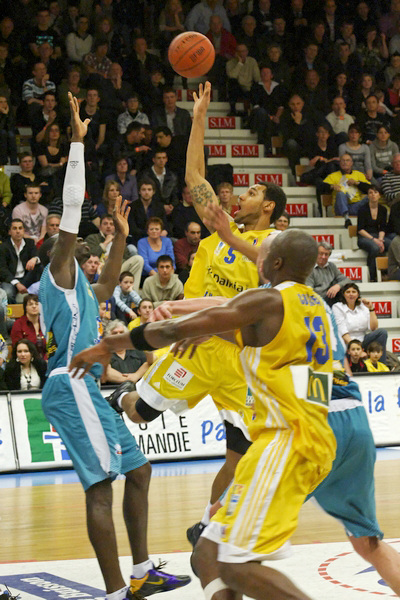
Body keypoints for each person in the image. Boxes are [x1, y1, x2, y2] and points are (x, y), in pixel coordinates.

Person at [69, 228, 336, 600]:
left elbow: (176, 329)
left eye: (264, 252)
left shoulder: (270, 300)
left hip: (288, 442)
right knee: (208, 552)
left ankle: (126, 396)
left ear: (276, 262)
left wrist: (108, 345)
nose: (256, 257)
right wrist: (210, 327)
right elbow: (224, 315)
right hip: (293, 438)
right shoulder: (315, 304)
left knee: (234, 564)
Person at [91, 82, 287, 524]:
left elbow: (274, 260)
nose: (242, 194)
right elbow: (195, 179)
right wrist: (198, 119)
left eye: (254, 191)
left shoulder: (272, 245)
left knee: (242, 451)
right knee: (141, 414)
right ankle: (123, 395)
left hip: (238, 359)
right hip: (194, 346)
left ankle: (208, 525)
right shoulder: (219, 226)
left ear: (269, 207)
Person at [39, 92, 190, 600]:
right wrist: (78, 144)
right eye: (74, 247)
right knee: (100, 487)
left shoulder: (82, 287)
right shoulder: (56, 273)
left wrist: (122, 235)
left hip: (85, 386)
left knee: (139, 471)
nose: (80, 250)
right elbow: (72, 209)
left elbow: (106, 284)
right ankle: (114, 591)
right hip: (70, 383)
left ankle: (143, 571)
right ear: (61, 252)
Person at [84, 214, 144, 292]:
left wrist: (113, 260)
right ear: (100, 227)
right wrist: (105, 242)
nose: (108, 226)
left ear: (115, 227)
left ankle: (132, 293)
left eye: (111, 224)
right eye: (105, 224)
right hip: (98, 270)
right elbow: (88, 256)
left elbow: (126, 258)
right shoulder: (92, 238)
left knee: (138, 259)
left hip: (115, 269)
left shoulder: (119, 240)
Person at [332, 282, 388, 363]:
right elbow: (342, 332)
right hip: (347, 343)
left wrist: (371, 308)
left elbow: (374, 328)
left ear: (358, 294)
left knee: (382, 332)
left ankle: (382, 366)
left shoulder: (363, 306)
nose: (351, 294)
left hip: (363, 340)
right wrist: (357, 349)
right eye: (348, 292)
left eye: (354, 292)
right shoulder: (337, 307)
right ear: (343, 295)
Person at [321, 153, 371, 228]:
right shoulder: (333, 176)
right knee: (340, 194)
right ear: (340, 163)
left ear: (351, 163)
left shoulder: (359, 174)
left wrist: (356, 183)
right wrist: (332, 186)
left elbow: (370, 188)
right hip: (340, 207)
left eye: (347, 160)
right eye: (343, 160)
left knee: (372, 196)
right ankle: (346, 218)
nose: (345, 162)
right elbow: (320, 186)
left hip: (355, 206)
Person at [0, 219, 42, 304]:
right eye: (14, 228)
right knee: (8, 294)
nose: (18, 231)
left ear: (24, 231)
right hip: (10, 279)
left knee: (39, 267)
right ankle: (12, 313)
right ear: (9, 232)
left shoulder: (30, 243)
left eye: (20, 228)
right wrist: (17, 284)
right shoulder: (3, 247)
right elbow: (3, 269)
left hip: (26, 278)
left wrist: (34, 259)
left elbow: (38, 257)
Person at [357, 186, 390, 281]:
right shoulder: (362, 209)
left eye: (375, 192)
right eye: (370, 193)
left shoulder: (383, 209)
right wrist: (374, 240)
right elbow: (360, 229)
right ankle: (372, 276)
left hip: (377, 235)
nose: (373, 195)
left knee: (391, 244)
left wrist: (380, 240)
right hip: (364, 236)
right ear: (368, 196)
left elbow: (383, 227)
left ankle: (387, 272)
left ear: (379, 195)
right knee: (375, 248)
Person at [103, 320, 149, 384]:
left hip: (137, 388)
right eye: (114, 333)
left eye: (121, 332)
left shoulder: (136, 350)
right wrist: (129, 380)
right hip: (112, 389)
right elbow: (106, 371)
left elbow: (148, 363)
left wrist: (136, 375)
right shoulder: (104, 353)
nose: (118, 335)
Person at [128, 180, 168, 245]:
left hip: (157, 238)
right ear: (139, 192)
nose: (146, 192)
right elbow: (132, 228)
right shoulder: (132, 207)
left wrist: (163, 231)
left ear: (153, 192)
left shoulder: (159, 206)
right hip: (137, 239)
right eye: (143, 190)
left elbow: (164, 224)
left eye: (149, 190)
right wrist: (150, 233)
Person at [226, 43, 260, 116]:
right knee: (232, 82)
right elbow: (232, 76)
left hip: (249, 88)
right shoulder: (230, 63)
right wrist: (240, 63)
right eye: (239, 51)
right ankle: (233, 110)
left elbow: (257, 78)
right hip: (237, 88)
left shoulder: (252, 61)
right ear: (236, 53)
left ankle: (255, 109)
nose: (242, 53)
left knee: (257, 86)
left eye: (243, 51)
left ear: (247, 52)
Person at [141, 149, 179, 214]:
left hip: (170, 210)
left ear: (166, 159)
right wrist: (161, 207)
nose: (161, 160)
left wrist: (172, 206)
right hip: (151, 208)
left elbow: (175, 195)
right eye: (159, 158)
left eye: (164, 158)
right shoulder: (146, 175)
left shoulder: (172, 176)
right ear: (154, 160)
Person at [10, 293, 46, 360]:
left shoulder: (45, 323)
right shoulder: (18, 324)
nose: (34, 306)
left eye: (37, 304)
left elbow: (51, 346)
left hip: (46, 361)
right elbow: (17, 348)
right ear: (25, 307)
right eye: (30, 304)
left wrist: (47, 360)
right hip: (26, 361)